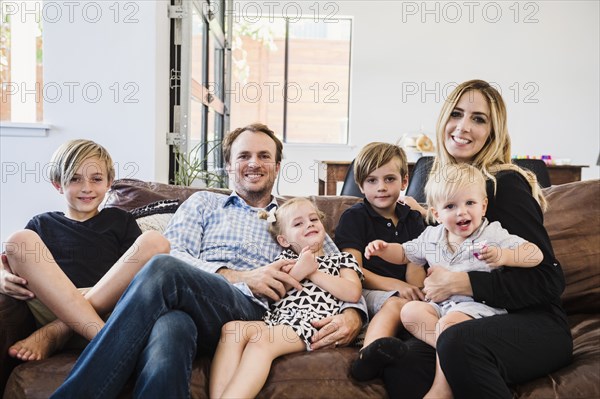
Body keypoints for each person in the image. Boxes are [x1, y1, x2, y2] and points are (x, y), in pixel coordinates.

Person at [51, 123, 367, 398]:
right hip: (194, 304)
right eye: (243, 156)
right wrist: (239, 275)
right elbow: (173, 252)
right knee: (170, 328)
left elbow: (338, 266)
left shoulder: (296, 215)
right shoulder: (204, 203)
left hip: (253, 311)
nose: (253, 163)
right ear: (228, 166)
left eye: (264, 156)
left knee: (163, 272)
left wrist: (354, 315)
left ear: (277, 165)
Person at [382, 80, 573, 399]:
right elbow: (415, 255)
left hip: (533, 324)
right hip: (459, 315)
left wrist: (462, 283)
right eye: (456, 114)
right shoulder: (439, 189)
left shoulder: (504, 185)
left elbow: (548, 280)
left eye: (479, 119)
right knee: (403, 360)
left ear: (493, 133)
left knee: (458, 342)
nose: (463, 127)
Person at [366, 163, 543, 398]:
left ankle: (442, 389)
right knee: (409, 312)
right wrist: (384, 249)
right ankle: (452, 351)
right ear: (436, 214)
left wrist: (504, 255)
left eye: (470, 203)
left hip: (477, 309)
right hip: (441, 308)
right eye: (451, 206)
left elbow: (535, 254)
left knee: (449, 326)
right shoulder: (432, 236)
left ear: (483, 206)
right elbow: (405, 253)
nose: (462, 212)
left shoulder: (491, 234)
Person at [1, 139, 169, 361]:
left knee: (156, 242)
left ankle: (58, 331)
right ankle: (107, 341)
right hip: (54, 308)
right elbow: (8, 261)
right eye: (75, 179)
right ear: (58, 184)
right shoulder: (42, 224)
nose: (87, 188)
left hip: (108, 312)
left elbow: (141, 276)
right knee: (18, 240)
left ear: (109, 182)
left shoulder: (120, 220)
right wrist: (2, 276)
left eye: (96, 179)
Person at [209, 197, 363, 398]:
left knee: (263, 341)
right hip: (276, 320)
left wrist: (313, 272)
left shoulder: (342, 259)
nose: (309, 224)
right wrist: (300, 269)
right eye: (298, 223)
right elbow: (272, 294)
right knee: (232, 330)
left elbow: (352, 293)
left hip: (312, 324)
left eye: (313, 219)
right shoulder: (284, 261)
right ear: (284, 240)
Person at [333, 142, 426, 381]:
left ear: (404, 182)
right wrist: (398, 288)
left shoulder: (413, 219)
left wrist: (414, 289)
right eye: (372, 180)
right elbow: (353, 270)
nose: (381, 188)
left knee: (418, 306)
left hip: (403, 294)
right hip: (367, 290)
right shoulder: (354, 217)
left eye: (389, 179)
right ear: (361, 185)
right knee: (395, 304)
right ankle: (366, 357)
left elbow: (415, 273)